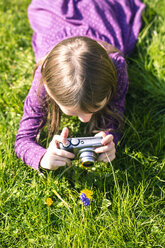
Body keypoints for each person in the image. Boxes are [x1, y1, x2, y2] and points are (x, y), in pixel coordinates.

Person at [15, 0, 145, 171]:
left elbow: (116, 110)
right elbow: (23, 139)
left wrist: (111, 136)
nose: (86, 119)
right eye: (74, 112)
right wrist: (41, 158)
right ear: (51, 93)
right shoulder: (44, 78)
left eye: (94, 108)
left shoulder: (117, 66)